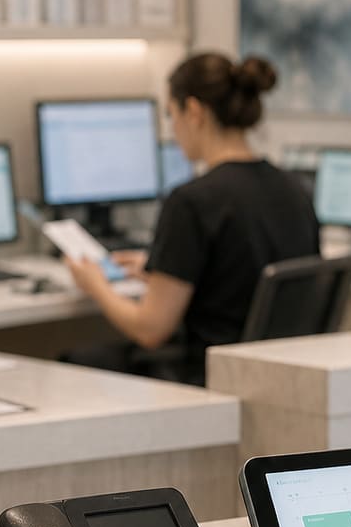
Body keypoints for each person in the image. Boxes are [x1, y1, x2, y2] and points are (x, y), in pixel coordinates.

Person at [65, 52, 320, 383]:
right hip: (277, 378)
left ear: (195, 112)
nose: (172, 133)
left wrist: (96, 285)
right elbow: (242, 276)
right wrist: (164, 268)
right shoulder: (295, 189)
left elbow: (150, 330)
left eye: (172, 116)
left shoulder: (192, 201)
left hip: (210, 378)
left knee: (74, 362)